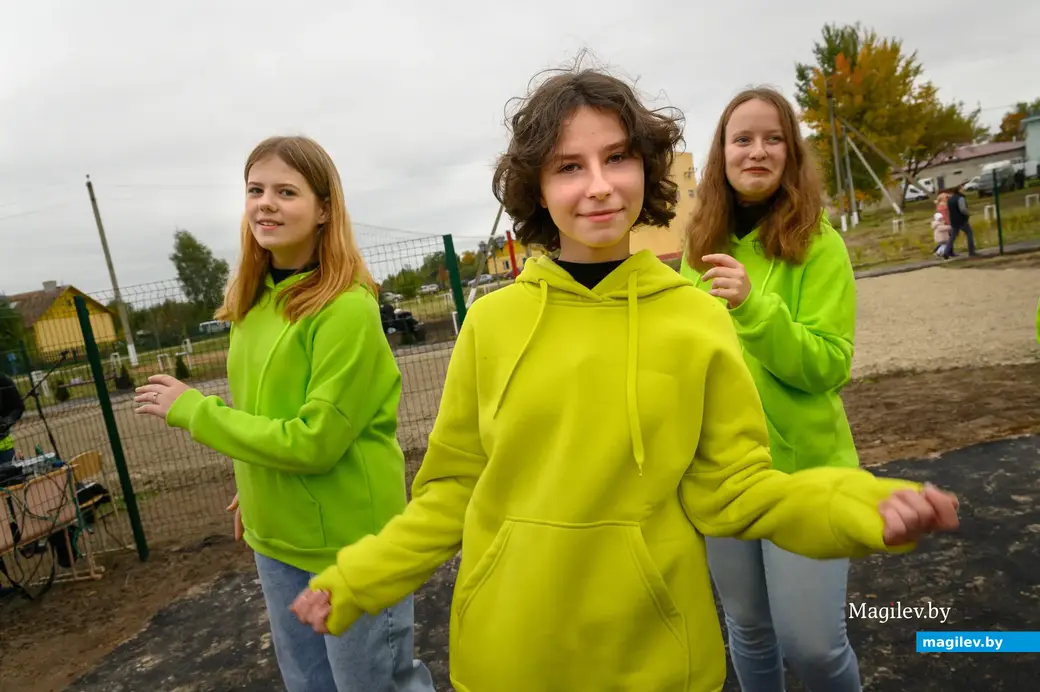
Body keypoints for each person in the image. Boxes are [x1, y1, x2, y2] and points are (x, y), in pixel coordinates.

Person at [290, 68, 960, 692]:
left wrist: (856, 508)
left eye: (617, 157)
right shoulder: (491, 325)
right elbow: (449, 493)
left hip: (660, 657)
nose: (599, 185)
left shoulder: (698, 319)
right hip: (508, 654)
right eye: (568, 167)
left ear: (646, 166)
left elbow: (739, 492)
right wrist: (358, 578)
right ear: (538, 188)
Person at [133, 136, 434, 692]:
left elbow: (315, 441)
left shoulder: (347, 309)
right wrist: (254, 488)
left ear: (324, 210)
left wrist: (195, 410)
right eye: (255, 189)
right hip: (275, 540)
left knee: (375, 686)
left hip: (350, 544)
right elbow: (263, 415)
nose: (265, 203)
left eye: (286, 191)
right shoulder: (251, 304)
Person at [680, 85, 900, 691]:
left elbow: (829, 364)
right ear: (721, 154)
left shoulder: (820, 244)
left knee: (813, 648)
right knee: (748, 630)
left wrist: (755, 307)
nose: (757, 151)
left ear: (792, 153)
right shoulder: (699, 250)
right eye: (742, 139)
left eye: (773, 138)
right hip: (721, 475)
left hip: (804, 475)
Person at [945, 183, 977, 258]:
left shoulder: (950, 199)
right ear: (959, 190)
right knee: (969, 233)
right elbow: (962, 209)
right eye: (962, 189)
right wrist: (968, 213)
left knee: (952, 237)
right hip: (962, 220)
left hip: (953, 220)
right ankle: (971, 251)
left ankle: (946, 252)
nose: (964, 190)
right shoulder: (960, 198)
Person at [0, 371, 25, 465]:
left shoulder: (3, 380)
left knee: (11, 478)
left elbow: (17, 406)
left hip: (3, 446)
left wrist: (6, 422)